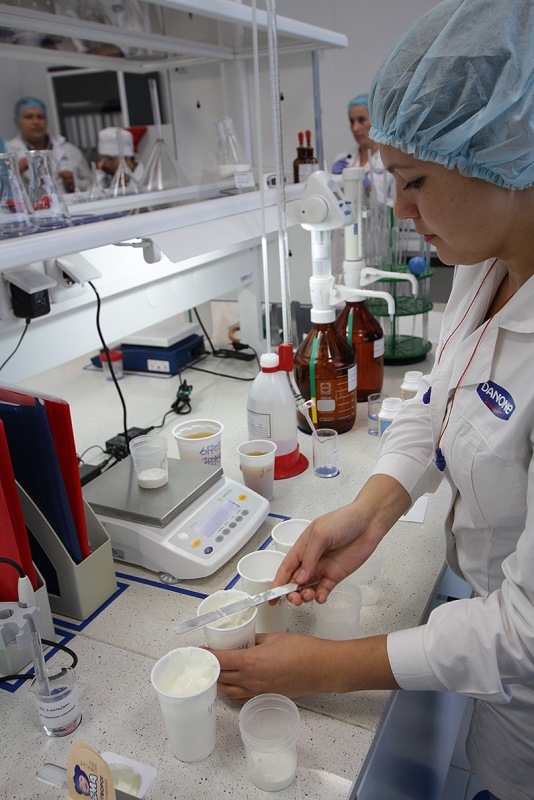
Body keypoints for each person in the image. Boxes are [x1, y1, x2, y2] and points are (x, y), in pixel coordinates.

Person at [212, 1, 534, 798]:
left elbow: (525, 633)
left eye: (415, 180)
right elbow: (437, 398)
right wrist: (372, 508)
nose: (401, 209)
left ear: (509, 154)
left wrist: (322, 666)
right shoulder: (485, 264)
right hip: (491, 670)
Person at [6, 96, 91, 193]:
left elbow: (92, 185)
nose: (36, 122)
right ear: (18, 121)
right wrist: (16, 171)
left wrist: (76, 184)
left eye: (40, 117)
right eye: (29, 117)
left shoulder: (69, 150)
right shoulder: (8, 151)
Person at [331, 93, 394, 206]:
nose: (355, 128)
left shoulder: (390, 160)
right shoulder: (343, 160)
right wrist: (333, 181)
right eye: (352, 121)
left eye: (361, 120)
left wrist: (367, 188)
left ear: (376, 120)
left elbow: (394, 208)